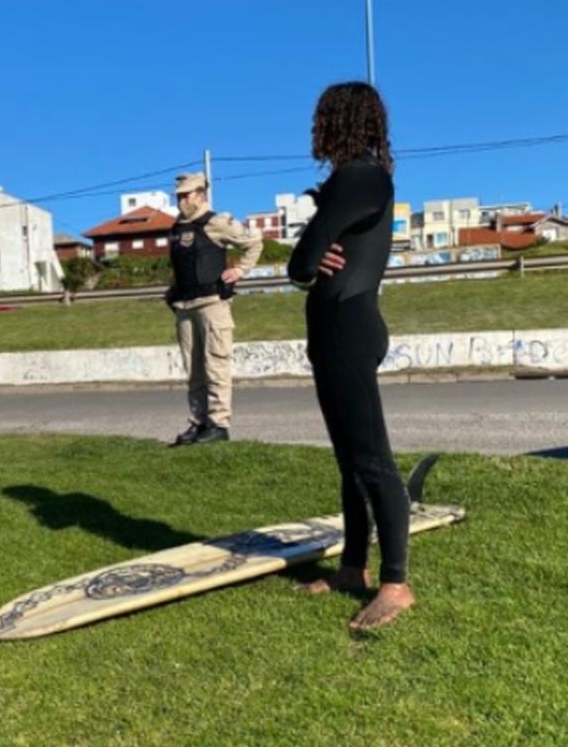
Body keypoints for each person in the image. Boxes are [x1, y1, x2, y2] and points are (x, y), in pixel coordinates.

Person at [287, 81, 414, 630]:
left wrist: (315, 249)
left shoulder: (356, 177)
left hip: (348, 330)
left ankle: (396, 583)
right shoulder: (366, 179)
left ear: (336, 123)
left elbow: (301, 263)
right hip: (341, 329)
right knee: (349, 462)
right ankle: (353, 568)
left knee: (372, 462)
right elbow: (314, 256)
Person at [165, 172, 263, 446]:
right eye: (179, 196)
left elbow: (254, 243)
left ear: (201, 194)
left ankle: (219, 424)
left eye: (187, 195)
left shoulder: (217, 222)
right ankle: (199, 422)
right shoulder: (176, 228)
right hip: (184, 306)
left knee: (216, 365)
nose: (182, 200)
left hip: (212, 304)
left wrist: (241, 270)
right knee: (193, 369)